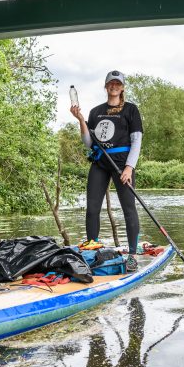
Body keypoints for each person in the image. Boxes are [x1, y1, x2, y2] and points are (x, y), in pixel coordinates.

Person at [70, 70, 143, 272]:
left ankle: (132, 255)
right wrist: (82, 121)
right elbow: (88, 143)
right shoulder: (95, 111)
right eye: (111, 83)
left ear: (122, 87)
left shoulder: (131, 110)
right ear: (106, 86)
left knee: (129, 209)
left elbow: (136, 140)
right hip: (100, 162)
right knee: (92, 209)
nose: (114, 86)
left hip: (122, 165)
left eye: (118, 83)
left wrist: (130, 167)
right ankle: (93, 252)